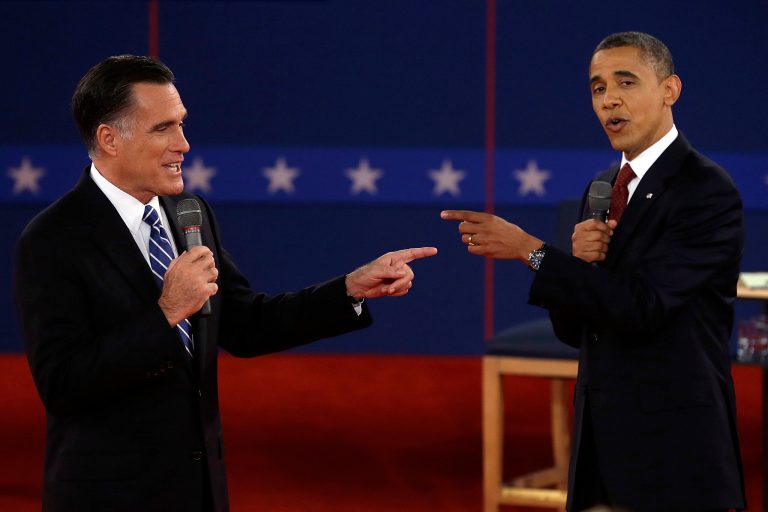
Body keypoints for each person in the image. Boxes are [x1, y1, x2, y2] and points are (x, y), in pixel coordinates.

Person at [13, 55, 436, 512]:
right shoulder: (54, 238)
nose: (184, 144)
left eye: (182, 124)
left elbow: (246, 324)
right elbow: (62, 386)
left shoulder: (188, 214)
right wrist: (166, 312)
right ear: (109, 139)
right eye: (163, 129)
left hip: (199, 491)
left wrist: (350, 288)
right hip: (109, 495)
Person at [442, 32, 745, 512]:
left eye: (626, 81)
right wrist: (580, 266)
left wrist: (533, 252)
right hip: (601, 445)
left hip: (674, 449)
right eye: (598, 88)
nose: (610, 99)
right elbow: (575, 330)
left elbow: (644, 311)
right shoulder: (602, 188)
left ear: (670, 90)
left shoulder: (705, 190)